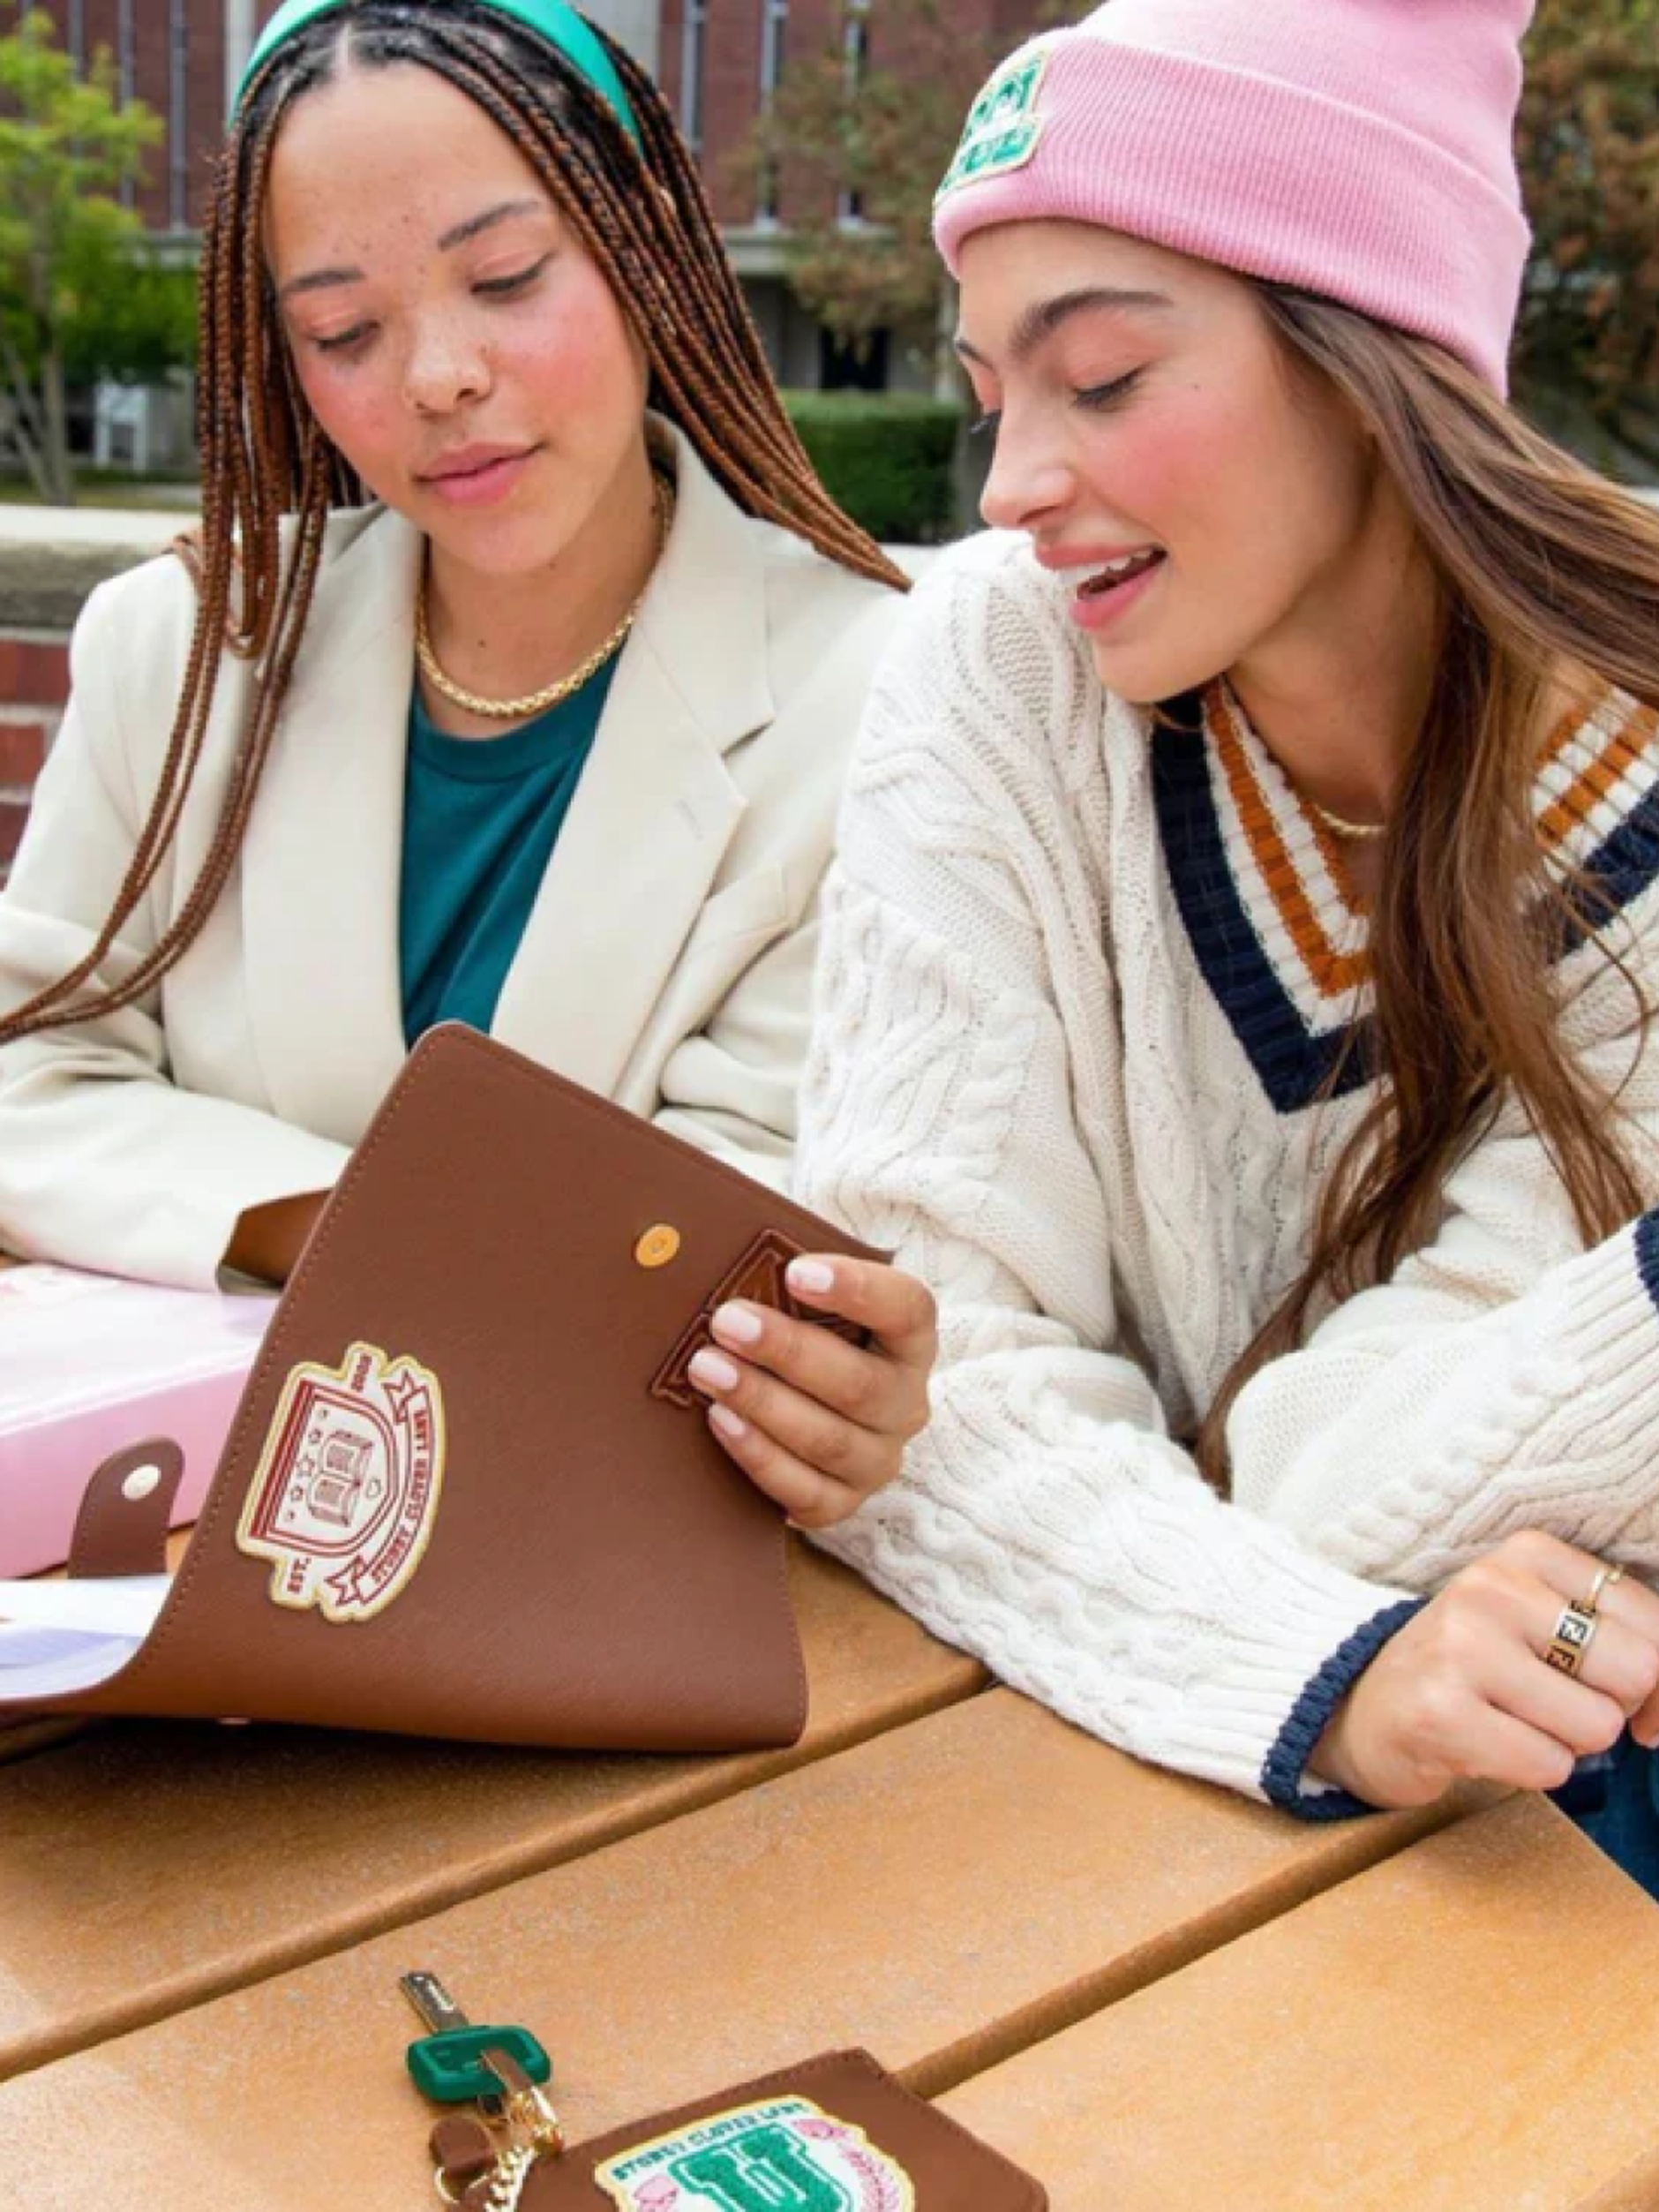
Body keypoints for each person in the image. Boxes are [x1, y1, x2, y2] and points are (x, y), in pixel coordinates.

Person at [794, 0, 1659, 1875]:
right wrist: (1321, 1668)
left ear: (1372, 362)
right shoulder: (999, 659)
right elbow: (909, 1385)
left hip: (1542, 1830)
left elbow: (1358, 1480)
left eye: (1101, 378)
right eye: (993, 394)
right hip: (1106, 1763)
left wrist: (1102, 1515)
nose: (1009, 483)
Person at [0, 0, 935, 1532]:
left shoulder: (876, 696)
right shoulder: (178, 650)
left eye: (505, 279)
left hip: (582, 1557)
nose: (438, 376)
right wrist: (350, 1225)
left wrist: (267, 1216)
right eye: (343, 332)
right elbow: (26, 1072)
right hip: (145, 1541)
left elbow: (730, 1252)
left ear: (643, 241)